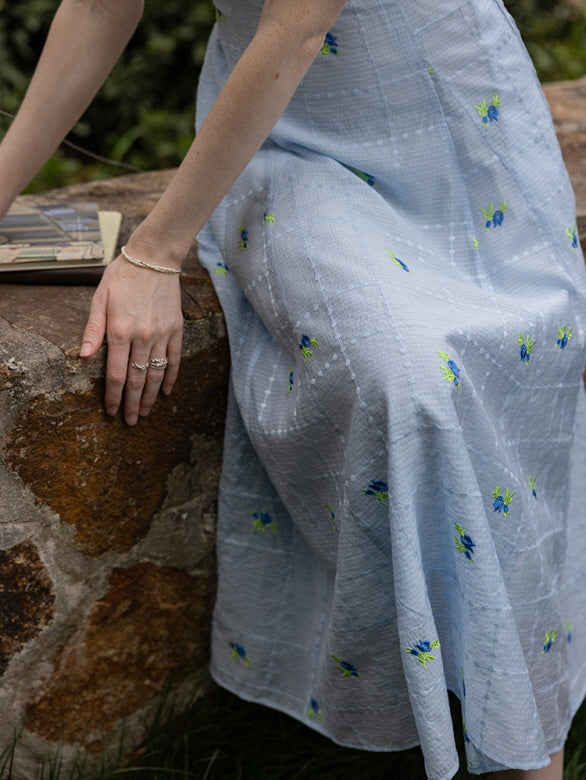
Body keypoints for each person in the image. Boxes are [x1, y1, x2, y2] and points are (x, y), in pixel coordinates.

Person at [1, 1, 584, 777]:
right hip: (285, 142)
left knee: (495, 377)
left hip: (458, 129)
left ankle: (525, 739)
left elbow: (298, 22)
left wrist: (153, 253)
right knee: (403, 378)